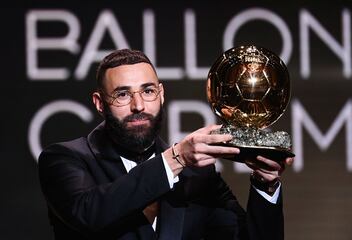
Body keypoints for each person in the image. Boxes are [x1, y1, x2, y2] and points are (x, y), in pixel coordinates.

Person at [38, 49, 293, 240]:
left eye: (148, 91)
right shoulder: (65, 158)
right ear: (99, 102)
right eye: (123, 94)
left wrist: (265, 185)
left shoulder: (198, 175)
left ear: (161, 94)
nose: (138, 106)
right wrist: (176, 159)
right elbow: (89, 214)